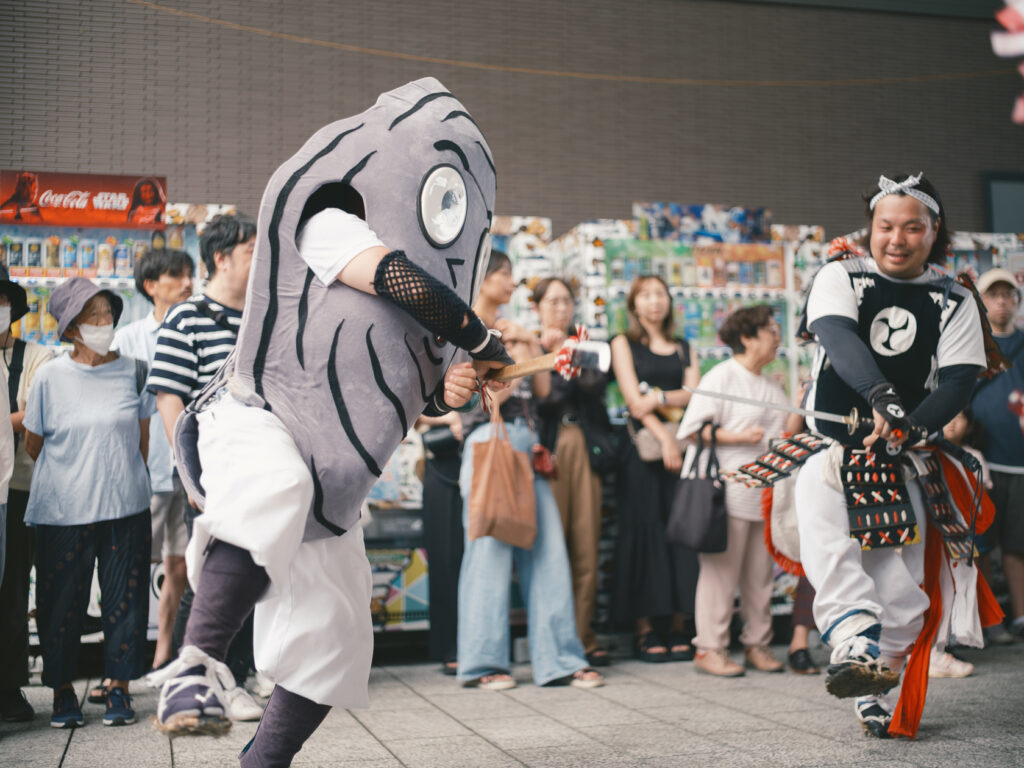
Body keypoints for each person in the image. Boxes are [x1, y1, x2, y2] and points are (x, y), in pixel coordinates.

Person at [153, 79, 515, 768]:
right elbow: (395, 278)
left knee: (337, 637)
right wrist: (479, 336)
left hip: (335, 480)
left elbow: (412, 392)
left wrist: (452, 387)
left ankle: (262, 763)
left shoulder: (437, 302)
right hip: (257, 418)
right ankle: (194, 668)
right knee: (276, 487)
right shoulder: (328, 221)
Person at [794, 172, 988, 738]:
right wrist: (882, 396)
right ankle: (854, 646)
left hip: (902, 461)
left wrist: (911, 425)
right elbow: (838, 337)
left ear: (935, 231)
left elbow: (959, 380)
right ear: (870, 227)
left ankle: (873, 682)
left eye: (912, 228)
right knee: (832, 549)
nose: (896, 239)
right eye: (885, 226)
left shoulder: (955, 298)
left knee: (902, 594)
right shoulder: (840, 275)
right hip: (832, 452)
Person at [456, 254, 602, 691]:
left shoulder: (514, 328)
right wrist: (516, 352)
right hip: (489, 440)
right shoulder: (459, 328)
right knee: (489, 552)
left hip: (529, 443)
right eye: (502, 274)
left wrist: (530, 346)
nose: (510, 282)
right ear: (482, 278)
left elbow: (542, 387)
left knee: (549, 551)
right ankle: (483, 663)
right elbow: (487, 397)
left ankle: (560, 659)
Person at [145, 213, 263, 722]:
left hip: (262, 464)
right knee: (213, 573)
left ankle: (238, 675)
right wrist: (190, 474)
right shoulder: (186, 318)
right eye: (253, 251)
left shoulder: (265, 314)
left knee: (256, 567)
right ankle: (199, 680)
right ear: (221, 257)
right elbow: (169, 399)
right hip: (212, 469)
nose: (262, 260)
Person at [24, 278, 155, 728]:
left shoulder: (135, 371)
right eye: (91, 316)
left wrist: (117, 476)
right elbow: (34, 444)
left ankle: (119, 686)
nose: (103, 323)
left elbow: (141, 440)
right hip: (62, 510)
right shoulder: (49, 377)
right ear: (71, 328)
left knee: (126, 600)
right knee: (60, 602)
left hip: (125, 505)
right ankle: (63, 691)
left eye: (107, 313)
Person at [679, 304, 789, 677]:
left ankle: (757, 643)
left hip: (763, 494)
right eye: (771, 329)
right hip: (724, 493)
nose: (777, 337)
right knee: (720, 576)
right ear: (747, 337)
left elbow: (785, 434)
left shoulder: (770, 384)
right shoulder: (722, 376)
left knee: (760, 577)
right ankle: (709, 648)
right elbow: (692, 429)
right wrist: (739, 437)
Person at [610, 274, 700, 663]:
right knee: (644, 533)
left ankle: (679, 625)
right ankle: (645, 629)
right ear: (633, 304)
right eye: (645, 295)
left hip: (682, 452)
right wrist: (664, 438)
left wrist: (659, 397)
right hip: (643, 453)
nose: (654, 301)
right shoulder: (622, 343)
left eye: (659, 294)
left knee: (680, 533)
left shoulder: (684, 347)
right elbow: (634, 402)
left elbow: (695, 394)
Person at [112, 248, 195, 673]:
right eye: (177, 276)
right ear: (150, 286)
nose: (188, 283)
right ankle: (120, 664)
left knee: (180, 565)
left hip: (188, 472)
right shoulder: (127, 340)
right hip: (143, 474)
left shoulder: (196, 331)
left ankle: (165, 654)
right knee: (130, 567)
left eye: (189, 274)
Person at [534, 277, 613, 667]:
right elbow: (547, 400)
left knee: (585, 544)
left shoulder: (588, 345)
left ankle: (583, 636)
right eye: (552, 301)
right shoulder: (529, 347)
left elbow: (594, 388)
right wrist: (552, 354)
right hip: (547, 451)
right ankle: (552, 641)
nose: (561, 308)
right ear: (537, 307)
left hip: (583, 446)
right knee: (550, 549)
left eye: (566, 301)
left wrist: (567, 353)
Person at [0, 266, 50, 722]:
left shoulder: (37, 356)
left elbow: (37, 411)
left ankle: (10, 685)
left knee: (12, 590)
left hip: (19, 491)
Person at [970, 267, 1024, 644]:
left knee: (1018, 544)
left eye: (1008, 295)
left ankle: (1020, 616)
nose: (1002, 302)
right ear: (982, 302)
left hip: (1019, 463)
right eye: (993, 295)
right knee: (981, 545)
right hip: (983, 463)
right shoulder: (972, 344)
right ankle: (987, 621)